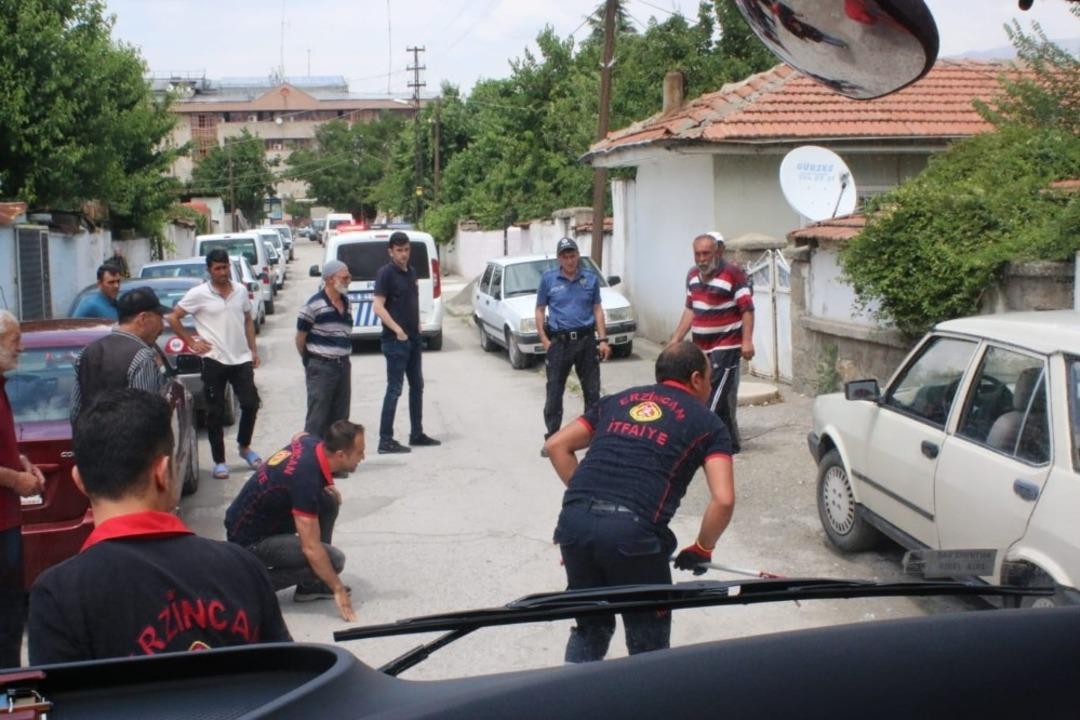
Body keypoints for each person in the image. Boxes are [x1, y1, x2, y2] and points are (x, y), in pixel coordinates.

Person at [27, 389, 290, 664]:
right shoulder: (242, 568)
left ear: (79, 481)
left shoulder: (58, 594)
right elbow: (288, 676)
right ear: (163, 472)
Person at [543, 341, 735, 663]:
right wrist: (702, 547)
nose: (711, 385)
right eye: (709, 377)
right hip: (633, 538)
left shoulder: (617, 401)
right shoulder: (708, 423)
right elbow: (724, 499)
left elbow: (556, 445)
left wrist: (590, 508)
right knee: (648, 642)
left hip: (574, 527)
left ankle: (573, 690)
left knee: (591, 628)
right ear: (696, 379)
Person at [224, 421, 365, 622]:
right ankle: (247, 587)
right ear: (341, 455)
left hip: (249, 518)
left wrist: (325, 485)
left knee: (328, 502)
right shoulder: (305, 480)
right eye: (359, 452)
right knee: (334, 561)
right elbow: (310, 547)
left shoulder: (312, 443)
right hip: (249, 541)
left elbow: (298, 436)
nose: (363, 457)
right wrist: (337, 587)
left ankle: (310, 586)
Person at [167, 248, 262, 479]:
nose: (223, 272)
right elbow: (173, 317)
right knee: (215, 412)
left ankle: (244, 447)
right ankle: (220, 461)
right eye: (218, 268)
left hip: (240, 358)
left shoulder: (240, 291)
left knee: (250, 403)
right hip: (214, 359)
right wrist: (191, 342)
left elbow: (248, 320)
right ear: (209, 270)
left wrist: (253, 350)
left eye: (225, 267)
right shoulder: (198, 294)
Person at [668, 232, 755, 453]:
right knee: (720, 399)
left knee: (711, 396)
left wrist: (746, 341)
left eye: (706, 253)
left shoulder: (733, 274)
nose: (702, 259)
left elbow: (747, 309)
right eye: (698, 254)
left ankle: (694, 445)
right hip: (701, 348)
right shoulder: (692, 276)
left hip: (727, 345)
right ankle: (730, 444)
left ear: (717, 252)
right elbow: (690, 309)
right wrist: (676, 339)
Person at [535, 237, 611, 455]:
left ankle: (592, 437)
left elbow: (597, 309)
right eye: (565, 256)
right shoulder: (549, 279)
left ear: (578, 255)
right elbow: (540, 310)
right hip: (560, 343)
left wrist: (603, 340)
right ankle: (552, 438)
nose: (569, 260)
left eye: (572, 255)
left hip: (586, 342)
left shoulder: (590, 279)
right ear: (559, 258)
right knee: (554, 392)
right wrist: (544, 340)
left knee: (592, 391)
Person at [0, 311, 45, 668]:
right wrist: (16, 480)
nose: (21, 348)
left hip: (7, 520)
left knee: (12, 614)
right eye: (15, 340)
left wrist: (20, 461)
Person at [372, 231, 440, 454]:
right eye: (399, 250)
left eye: (407, 250)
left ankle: (416, 433)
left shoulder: (411, 272)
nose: (404, 254)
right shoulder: (385, 274)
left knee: (417, 386)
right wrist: (398, 330)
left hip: (413, 339)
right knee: (394, 389)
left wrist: (417, 324)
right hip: (395, 341)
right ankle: (385, 440)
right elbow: (378, 307)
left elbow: (411, 301)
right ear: (390, 251)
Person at [70, 286, 170, 423]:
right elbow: (145, 417)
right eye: (160, 318)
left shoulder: (87, 352)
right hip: (130, 436)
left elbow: (75, 412)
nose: (162, 327)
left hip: (89, 436)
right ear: (143, 318)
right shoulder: (143, 357)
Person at [296, 260, 352, 438]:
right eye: (344, 277)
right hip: (321, 366)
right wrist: (312, 362)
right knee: (317, 417)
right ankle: (311, 452)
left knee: (341, 418)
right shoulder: (313, 305)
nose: (348, 281)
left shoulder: (347, 303)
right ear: (329, 279)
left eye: (349, 277)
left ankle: (335, 453)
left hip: (343, 365)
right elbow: (300, 338)